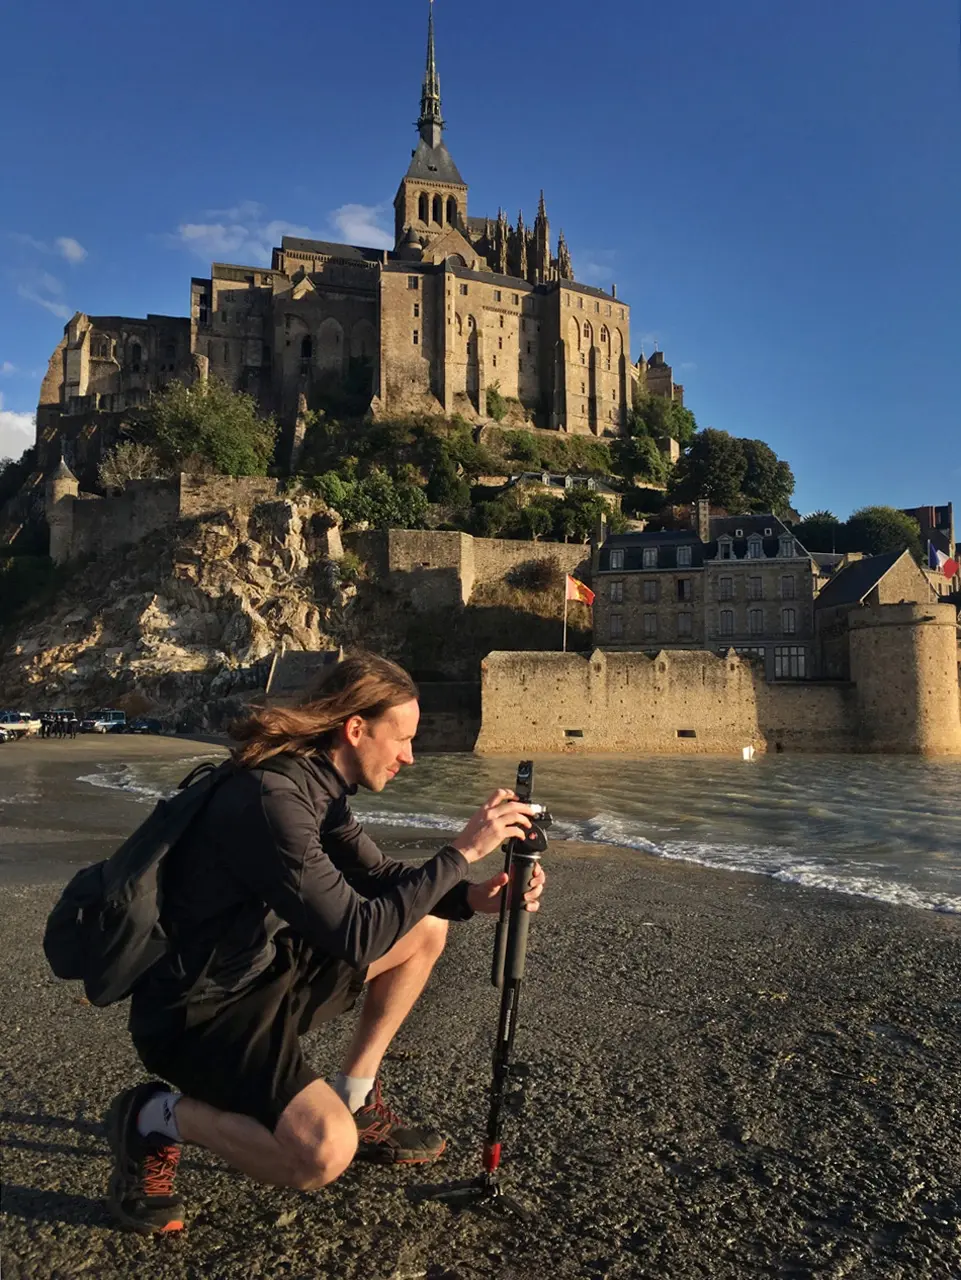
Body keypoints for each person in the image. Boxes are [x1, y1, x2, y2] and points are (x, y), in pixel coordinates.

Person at [104, 653, 546, 1235]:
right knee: (320, 1155)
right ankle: (152, 1117)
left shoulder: (320, 784)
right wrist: (462, 851)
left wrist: (471, 897)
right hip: (200, 1012)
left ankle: (356, 1097)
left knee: (428, 924)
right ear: (356, 729)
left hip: (264, 972)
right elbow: (358, 936)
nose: (410, 756)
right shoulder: (271, 801)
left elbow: (382, 878)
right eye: (403, 740)